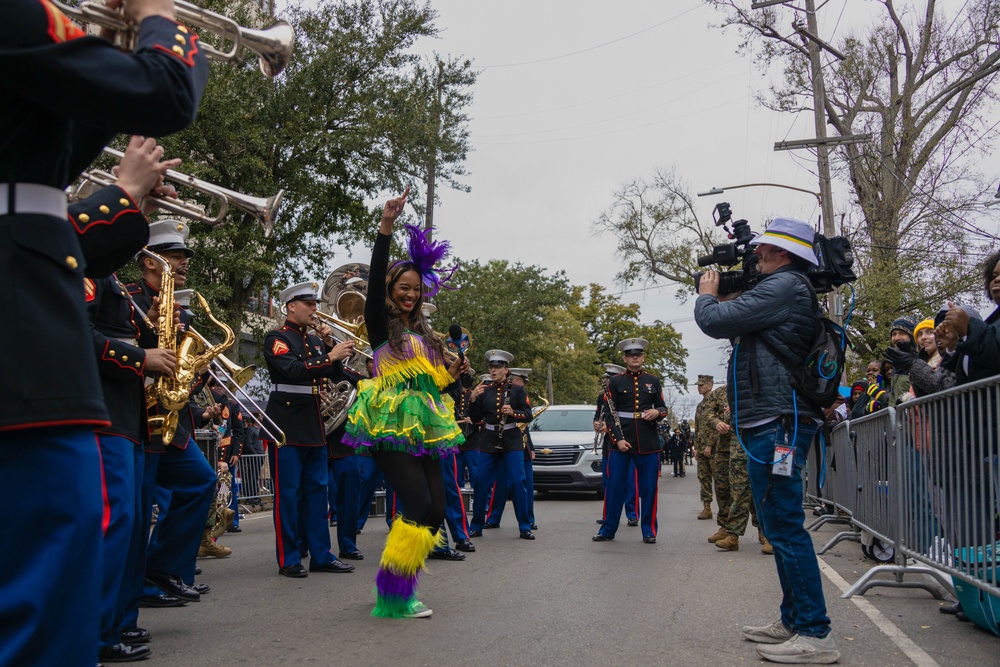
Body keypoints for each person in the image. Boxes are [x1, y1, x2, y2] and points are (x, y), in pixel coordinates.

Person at [0, 2, 208, 664]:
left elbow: (40, 148)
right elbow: (165, 92)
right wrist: (155, 17)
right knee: (47, 584)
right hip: (23, 320)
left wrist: (112, 49)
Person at [695, 217, 839, 664]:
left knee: (784, 525)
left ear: (782, 253)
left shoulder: (787, 285)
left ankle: (815, 634)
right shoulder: (784, 289)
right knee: (776, 525)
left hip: (780, 421)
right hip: (771, 419)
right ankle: (794, 619)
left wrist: (707, 291)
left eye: (762, 251)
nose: (755, 256)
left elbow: (714, 319)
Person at [343, 189, 468, 619]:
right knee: (417, 506)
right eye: (403, 288)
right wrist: (385, 229)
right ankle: (392, 596)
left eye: (415, 289)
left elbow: (437, 388)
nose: (410, 295)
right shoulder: (381, 326)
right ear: (391, 290)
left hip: (426, 424)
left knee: (435, 511)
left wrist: (452, 378)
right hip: (388, 422)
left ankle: (398, 583)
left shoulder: (426, 337)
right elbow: (376, 279)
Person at [262, 281, 356, 578]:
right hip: (286, 425)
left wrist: (330, 348)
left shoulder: (315, 342)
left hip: (314, 424)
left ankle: (321, 554)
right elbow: (292, 370)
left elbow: (334, 373)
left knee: (318, 492)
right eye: (309, 304)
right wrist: (328, 356)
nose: (316, 309)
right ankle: (289, 558)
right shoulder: (276, 338)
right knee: (288, 496)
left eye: (316, 304)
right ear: (291, 306)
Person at [592, 338, 667, 544]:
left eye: (638, 355)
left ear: (643, 357)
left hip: (648, 441)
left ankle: (649, 530)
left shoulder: (653, 380)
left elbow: (663, 408)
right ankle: (608, 529)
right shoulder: (615, 382)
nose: (635, 358)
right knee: (614, 487)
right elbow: (608, 414)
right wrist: (617, 440)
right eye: (631, 355)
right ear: (625, 358)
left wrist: (656, 412)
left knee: (649, 488)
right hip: (621, 442)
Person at [468, 351, 535, 539]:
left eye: (497, 367)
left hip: (511, 439)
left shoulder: (518, 390)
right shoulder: (484, 390)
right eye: (491, 367)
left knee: (517, 482)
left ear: (506, 370)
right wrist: (472, 399)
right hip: (489, 440)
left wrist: (514, 412)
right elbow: (475, 419)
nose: (493, 370)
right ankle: (477, 525)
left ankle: (524, 525)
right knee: (481, 482)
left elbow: (528, 415)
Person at [693, 375, 722, 520]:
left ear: (710, 386)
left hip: (715, 448)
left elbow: (717, 426)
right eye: (698, 385)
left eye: (702, 385)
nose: (699, 387)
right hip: (702, 447)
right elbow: (698, 428)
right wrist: (696, 447)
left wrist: (709, 445)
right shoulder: (700, 406)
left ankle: (724, 510)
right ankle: (707, 507)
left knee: (719, 479)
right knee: (703, 477)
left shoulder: (716, 403)